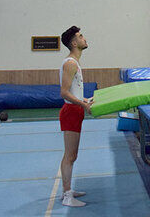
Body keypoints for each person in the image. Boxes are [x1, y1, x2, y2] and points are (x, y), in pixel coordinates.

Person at [58, 25, 93, 207]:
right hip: (71, 111)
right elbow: (64, 92)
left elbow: (74, 92)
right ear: (74, 43)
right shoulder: (70, 63)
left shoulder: (75, 63)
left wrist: (85, 99)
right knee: (70, 156)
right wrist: (82, 104)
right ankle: (67, 195)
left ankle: (68, 190)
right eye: (80, 36)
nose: (84, 38)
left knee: (73, 155)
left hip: (75, 109)